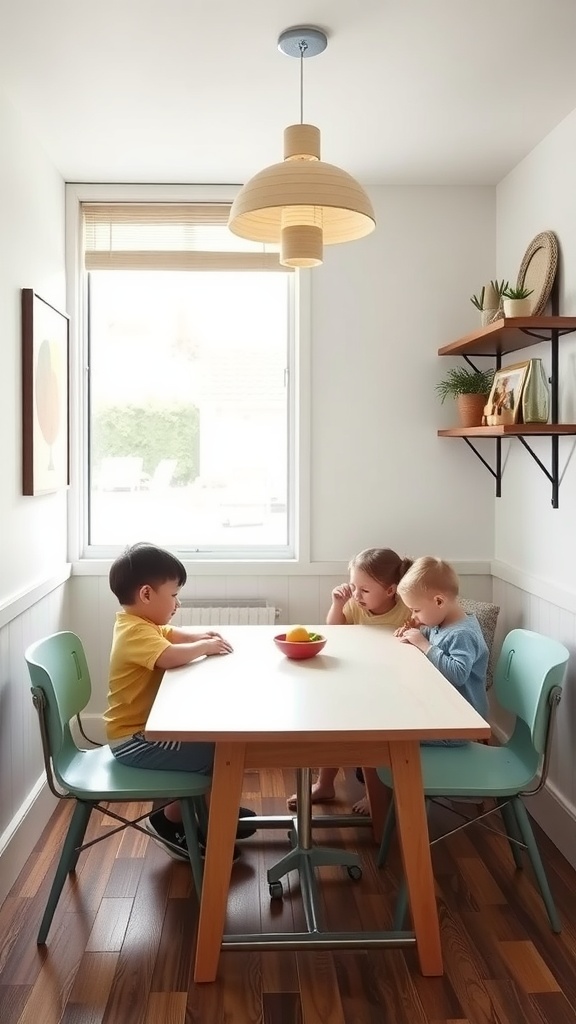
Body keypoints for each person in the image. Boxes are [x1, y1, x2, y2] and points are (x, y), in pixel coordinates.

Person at [104, 542, 256, 861]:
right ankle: (177, 819)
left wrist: (202, 636)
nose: (177, 602)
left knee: (217, 741)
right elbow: (169, 656)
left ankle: (212, 810)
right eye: (173, 595)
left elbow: (171, 634)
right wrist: (204, 648)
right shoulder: (135, 633)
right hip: (136, 741)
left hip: (144, 733)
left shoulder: (140, 624)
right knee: (220, 748)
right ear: (146, 594)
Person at [287, 547, 413, 812]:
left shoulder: (406, 609)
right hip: (357, 676)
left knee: (371, 728)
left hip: (392, 685)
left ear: (391, 590)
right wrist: (337, 604)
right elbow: (335, 631)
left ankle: (374, 794)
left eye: (364, 590)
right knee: (333, 720)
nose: (356, 595)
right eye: (353, 587)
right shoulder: (355, 605)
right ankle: (325, 783)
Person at [394, 556, 489, 736]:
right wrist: (417, 632)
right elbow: (436, 637)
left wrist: (424, 645)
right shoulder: (442, 623)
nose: (413, 616)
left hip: (462, 723)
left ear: (439, 601)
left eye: (416, 610)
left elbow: (458, 674)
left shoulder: (462, 634)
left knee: (397, 736)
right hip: (446, 711)